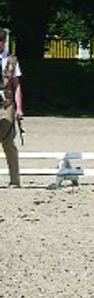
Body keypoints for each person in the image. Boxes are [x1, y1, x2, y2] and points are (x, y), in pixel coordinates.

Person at [0, 28, 24, 188]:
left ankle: (14, 180)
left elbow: (16, 86)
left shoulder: (11, 61)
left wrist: (19, 108)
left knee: (8, 142)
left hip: (6, 103)